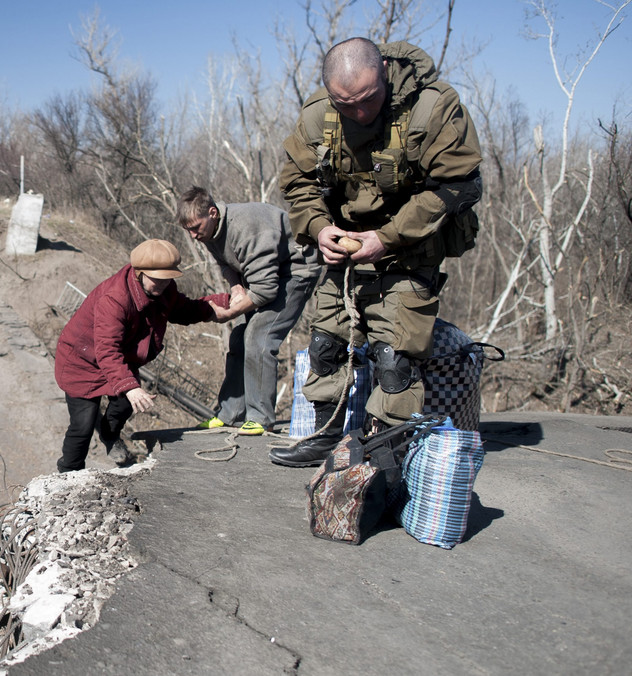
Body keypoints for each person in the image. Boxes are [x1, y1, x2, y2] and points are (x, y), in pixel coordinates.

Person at [271, 37, 483, 467]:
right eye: (345, 104)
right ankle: (326, 435)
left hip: (408, 251)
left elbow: (459, 184)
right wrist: (319, 227)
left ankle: (384, 456)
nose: (360, 113)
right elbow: (298, 183)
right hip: (345, 256)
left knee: (394, 362)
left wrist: (386, 238)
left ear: (384, 71)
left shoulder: (433, 107)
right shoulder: (318, 115)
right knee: (325, 347)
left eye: (368, 99)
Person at [54, 239, 236, 472]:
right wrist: (130, 386)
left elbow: (182, 309)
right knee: (83, 425)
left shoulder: (163, 289)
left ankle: (109, 435)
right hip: (82, 361)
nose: (162, 284)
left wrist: (216, 305)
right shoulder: (114, 299)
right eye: (156, 279)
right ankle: (68, 473)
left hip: (118, 357)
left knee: (123, 405)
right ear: (138, 272)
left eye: (167, 278)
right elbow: (107, 350)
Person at [175, 189, 320, 435]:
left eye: (196, 228)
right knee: (239, 337)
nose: (193, 235)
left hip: (295, 271)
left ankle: (261, 417)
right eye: (187, 230)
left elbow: (265, 291)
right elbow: (226, 265)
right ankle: (230, 414)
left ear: (212, 212)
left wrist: (227, 314)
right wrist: (237, 289)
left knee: (259, 335)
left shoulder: (246, 227)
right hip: (265, 277)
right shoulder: (209, 231)